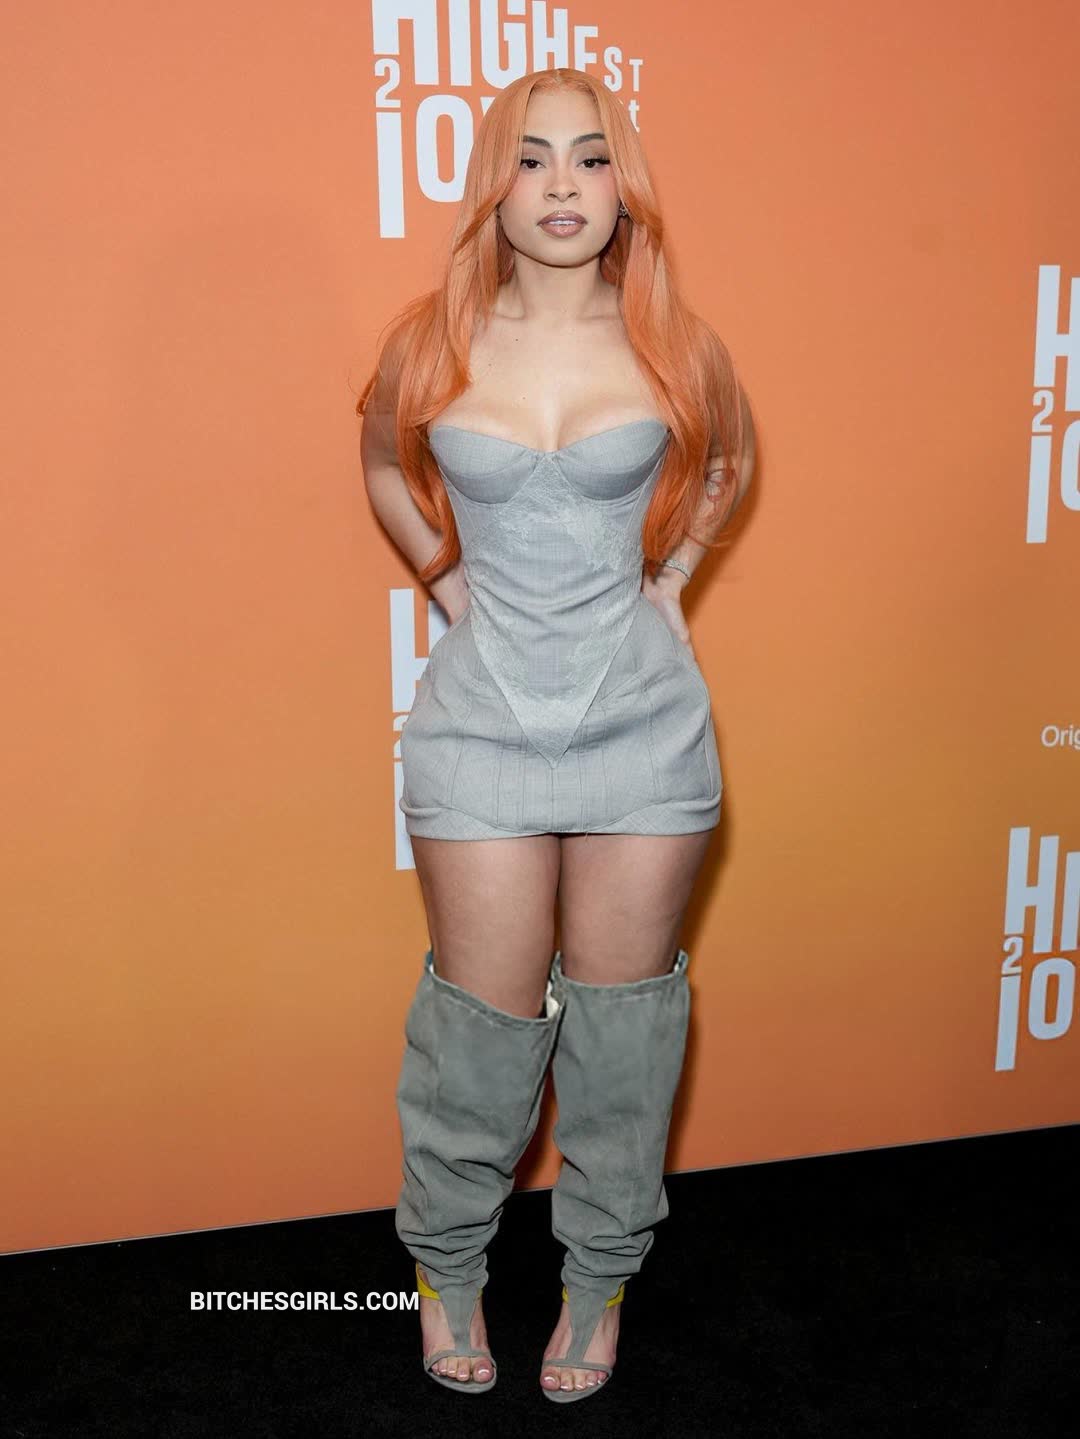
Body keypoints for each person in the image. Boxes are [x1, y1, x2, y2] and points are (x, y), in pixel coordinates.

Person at [358, 66, 755, 1402]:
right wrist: (446, 581)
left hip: (643, 731)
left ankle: (598, 1282)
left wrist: (674, 581)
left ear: (623, 188)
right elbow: (381, 460)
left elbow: (726, 461)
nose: (564, 185)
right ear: (497, 185)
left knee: (624, 1040)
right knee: (477, 1033)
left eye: (592, 158)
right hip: (478, 729)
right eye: (533, 159)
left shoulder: (675, 345)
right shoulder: (432, 342)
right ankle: (446, 1268)